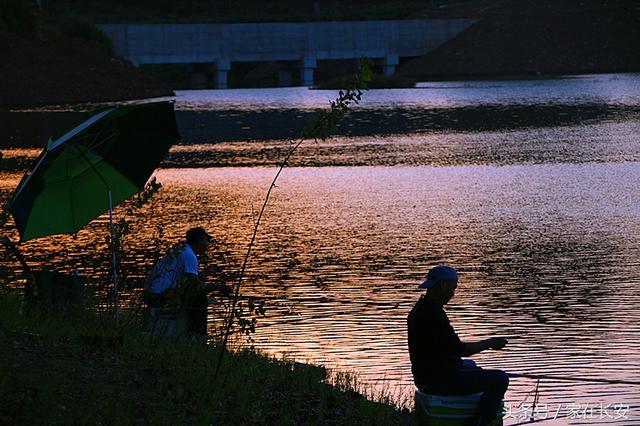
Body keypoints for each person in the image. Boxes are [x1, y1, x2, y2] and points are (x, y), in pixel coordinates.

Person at [407, 265, 509, 426]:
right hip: (438, 381)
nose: (453, 294)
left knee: (472, 366)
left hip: (424, 376)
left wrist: (461, 365)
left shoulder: (420, 308)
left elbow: (439, 350)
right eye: (452, 288)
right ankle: (481, 423)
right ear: (441, 285)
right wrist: (490, 343)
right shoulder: (434, 314)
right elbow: (461, 350)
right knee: (500, 379)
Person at [144, 227, 231, 336]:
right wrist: (219, 287)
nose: (208, 244)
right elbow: (194, 286)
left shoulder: (181, 250)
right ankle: (197, 336)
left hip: (150, 295)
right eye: (206, 241)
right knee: (200, 297)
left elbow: (188, 281)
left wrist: (206, 272)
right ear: (199, 240)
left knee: (194, 293)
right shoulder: (189, 255)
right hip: (157, 298)